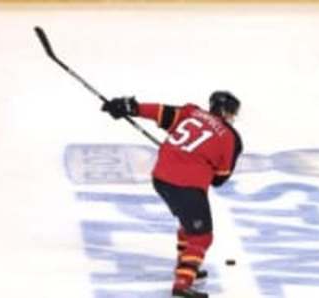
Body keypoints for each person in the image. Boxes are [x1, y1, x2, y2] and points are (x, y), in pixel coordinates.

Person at [101, 91, 243, 298]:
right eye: (232, 113)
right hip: (186, 185)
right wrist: (202, 163)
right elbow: (220, 179)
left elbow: (161, 113)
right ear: (226, 112)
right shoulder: (231, 138)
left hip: (160, 178)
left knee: (188, 221)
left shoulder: (192, 112)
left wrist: (130, 107)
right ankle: (182, 284)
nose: (233, 118)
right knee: (202, 236)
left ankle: (185, 263)